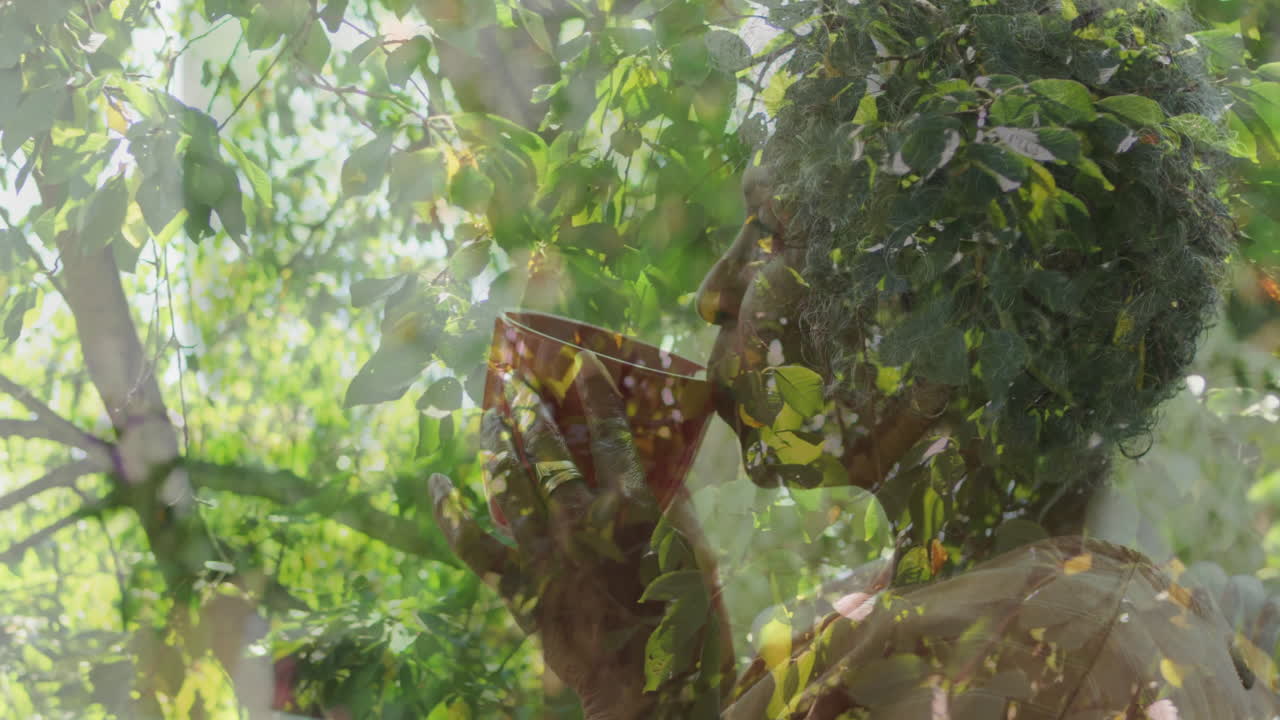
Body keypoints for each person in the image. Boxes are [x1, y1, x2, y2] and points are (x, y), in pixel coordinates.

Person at [428, 0, 1280, 717]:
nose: (715, 291)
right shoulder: (881, 610)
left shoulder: (1064, 652)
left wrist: (654, 690)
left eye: (773, 235)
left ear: (946, 315)